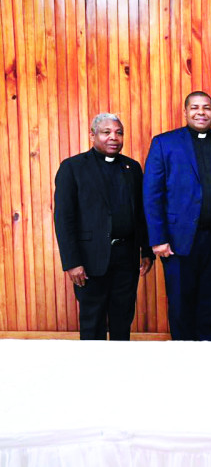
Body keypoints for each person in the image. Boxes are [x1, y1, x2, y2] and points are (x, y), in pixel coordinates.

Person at [54, 113, 154, 340]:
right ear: (92, 135)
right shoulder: (73, 167)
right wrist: (72, 262)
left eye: (119, 133)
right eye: (106, 132)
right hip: (89, 260)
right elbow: (64, 219)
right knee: (92, 321)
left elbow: (141, 214)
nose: (113, 138)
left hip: (126, 257)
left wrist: (146, 250)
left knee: (123, 319)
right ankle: (91, 373)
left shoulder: (132, 167)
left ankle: (119, 372)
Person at [143, 91, 211, 341]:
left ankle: (207, 358)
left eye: (206, 108)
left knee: (210, 302)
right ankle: (182, 362)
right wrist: (158, 239)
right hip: (178, 241)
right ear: (185, 112)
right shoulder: (164, 143)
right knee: (181, 304)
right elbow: (152, 194)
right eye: (195, 107)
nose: (201, 112)